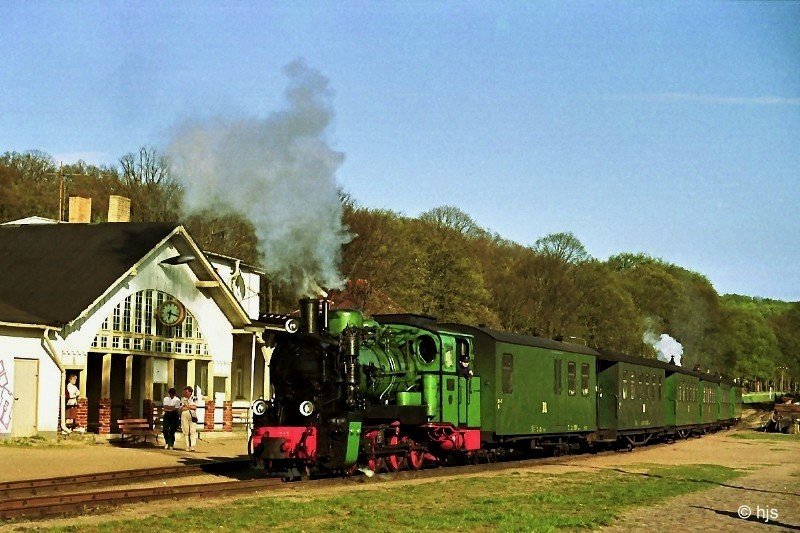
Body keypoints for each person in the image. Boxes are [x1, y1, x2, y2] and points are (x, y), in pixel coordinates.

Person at [180, 386, 198, 452]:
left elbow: (194, 407)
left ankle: (192, 445)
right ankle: (187, 445)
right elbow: (182, 408)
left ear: (190, 392)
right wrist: (189, 407)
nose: (185, 393)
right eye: (185, 392)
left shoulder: (194, 398)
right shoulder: (182, 399)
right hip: (185, 415)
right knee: (186, 430)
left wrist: (187, 406)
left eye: (186, 392)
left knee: (193, 430)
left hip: (192, 415)